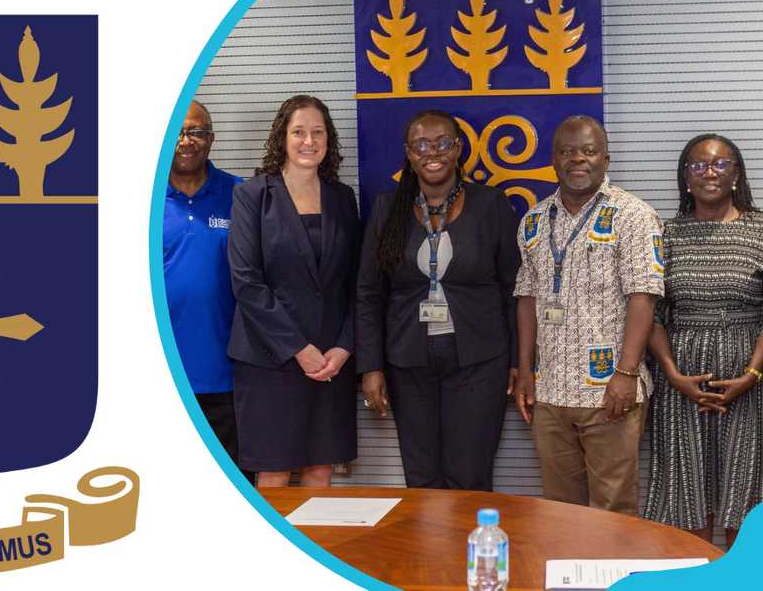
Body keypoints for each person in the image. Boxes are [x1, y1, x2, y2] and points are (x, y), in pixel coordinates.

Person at [355, 109, 520, 491]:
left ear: (459, 149)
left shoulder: (490, 204)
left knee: (469, 474)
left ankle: (471, 551)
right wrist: (371, 367)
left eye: (444, 143)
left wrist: (518, 361)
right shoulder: (387, 208)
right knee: (422, 477)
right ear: (408, 153)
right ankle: (426, 552)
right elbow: (368, 292)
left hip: (479, 361)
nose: (434, 152)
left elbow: (514, 289)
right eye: (422, 145)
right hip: (407, 360)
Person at [512, 115, 664, 515]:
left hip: (609, 391)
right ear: (554, 160)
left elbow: (644, 297)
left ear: (606, 159)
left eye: (589, 151)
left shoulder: (634, 215)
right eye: (567, 151)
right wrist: (526, 373)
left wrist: (626, 373)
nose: (578, 159)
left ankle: (612, 580)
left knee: (612, 508)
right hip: (551, 392)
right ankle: (572, 579)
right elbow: (526, 299)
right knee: (560, 512)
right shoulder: (532, 221)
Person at [227, 95, 360, 487]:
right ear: (281, 138)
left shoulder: (342, 198)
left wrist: (344, 346)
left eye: (318, 132)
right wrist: (299, 350)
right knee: (274, 471)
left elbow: (356, 281)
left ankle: (317, 547)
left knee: (321, 468)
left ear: (328, 140)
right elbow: (246, 282)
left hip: (331, 361)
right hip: (272, 360)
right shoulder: (252, 195)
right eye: (299, 131)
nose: (308, 141)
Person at [642, 134, 763, 547]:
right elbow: (652, 313)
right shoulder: (665, 233)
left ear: (736, 174)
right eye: (697, 165)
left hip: (750, 381)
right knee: (684, 491)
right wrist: (674, 376)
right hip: (680, 381)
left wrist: (751, 375)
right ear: (685, 178)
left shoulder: (760, 228)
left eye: (719, 163)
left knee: (744, 489)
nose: (708, 172)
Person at [163, 99, 251, 482]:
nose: (186, 141)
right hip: (163, 377)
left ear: (211, 139)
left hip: (229, 380)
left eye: (196, 131)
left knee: (233, 490)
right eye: (177, 132)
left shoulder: (241, 194)